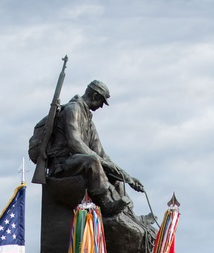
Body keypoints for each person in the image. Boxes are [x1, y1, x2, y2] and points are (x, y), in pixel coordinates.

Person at [43, 80, 146, 219]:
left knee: (115, 177)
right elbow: (75, 144)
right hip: (62, 166)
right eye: (101, 102)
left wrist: (125, 176)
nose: (102, 106)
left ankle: (131, 215)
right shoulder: (72, 110)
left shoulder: (88, 120)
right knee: (92, 161)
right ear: (94, 96)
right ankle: (106, 203)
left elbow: (102, 155)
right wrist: (101, 162)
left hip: (78, 163)